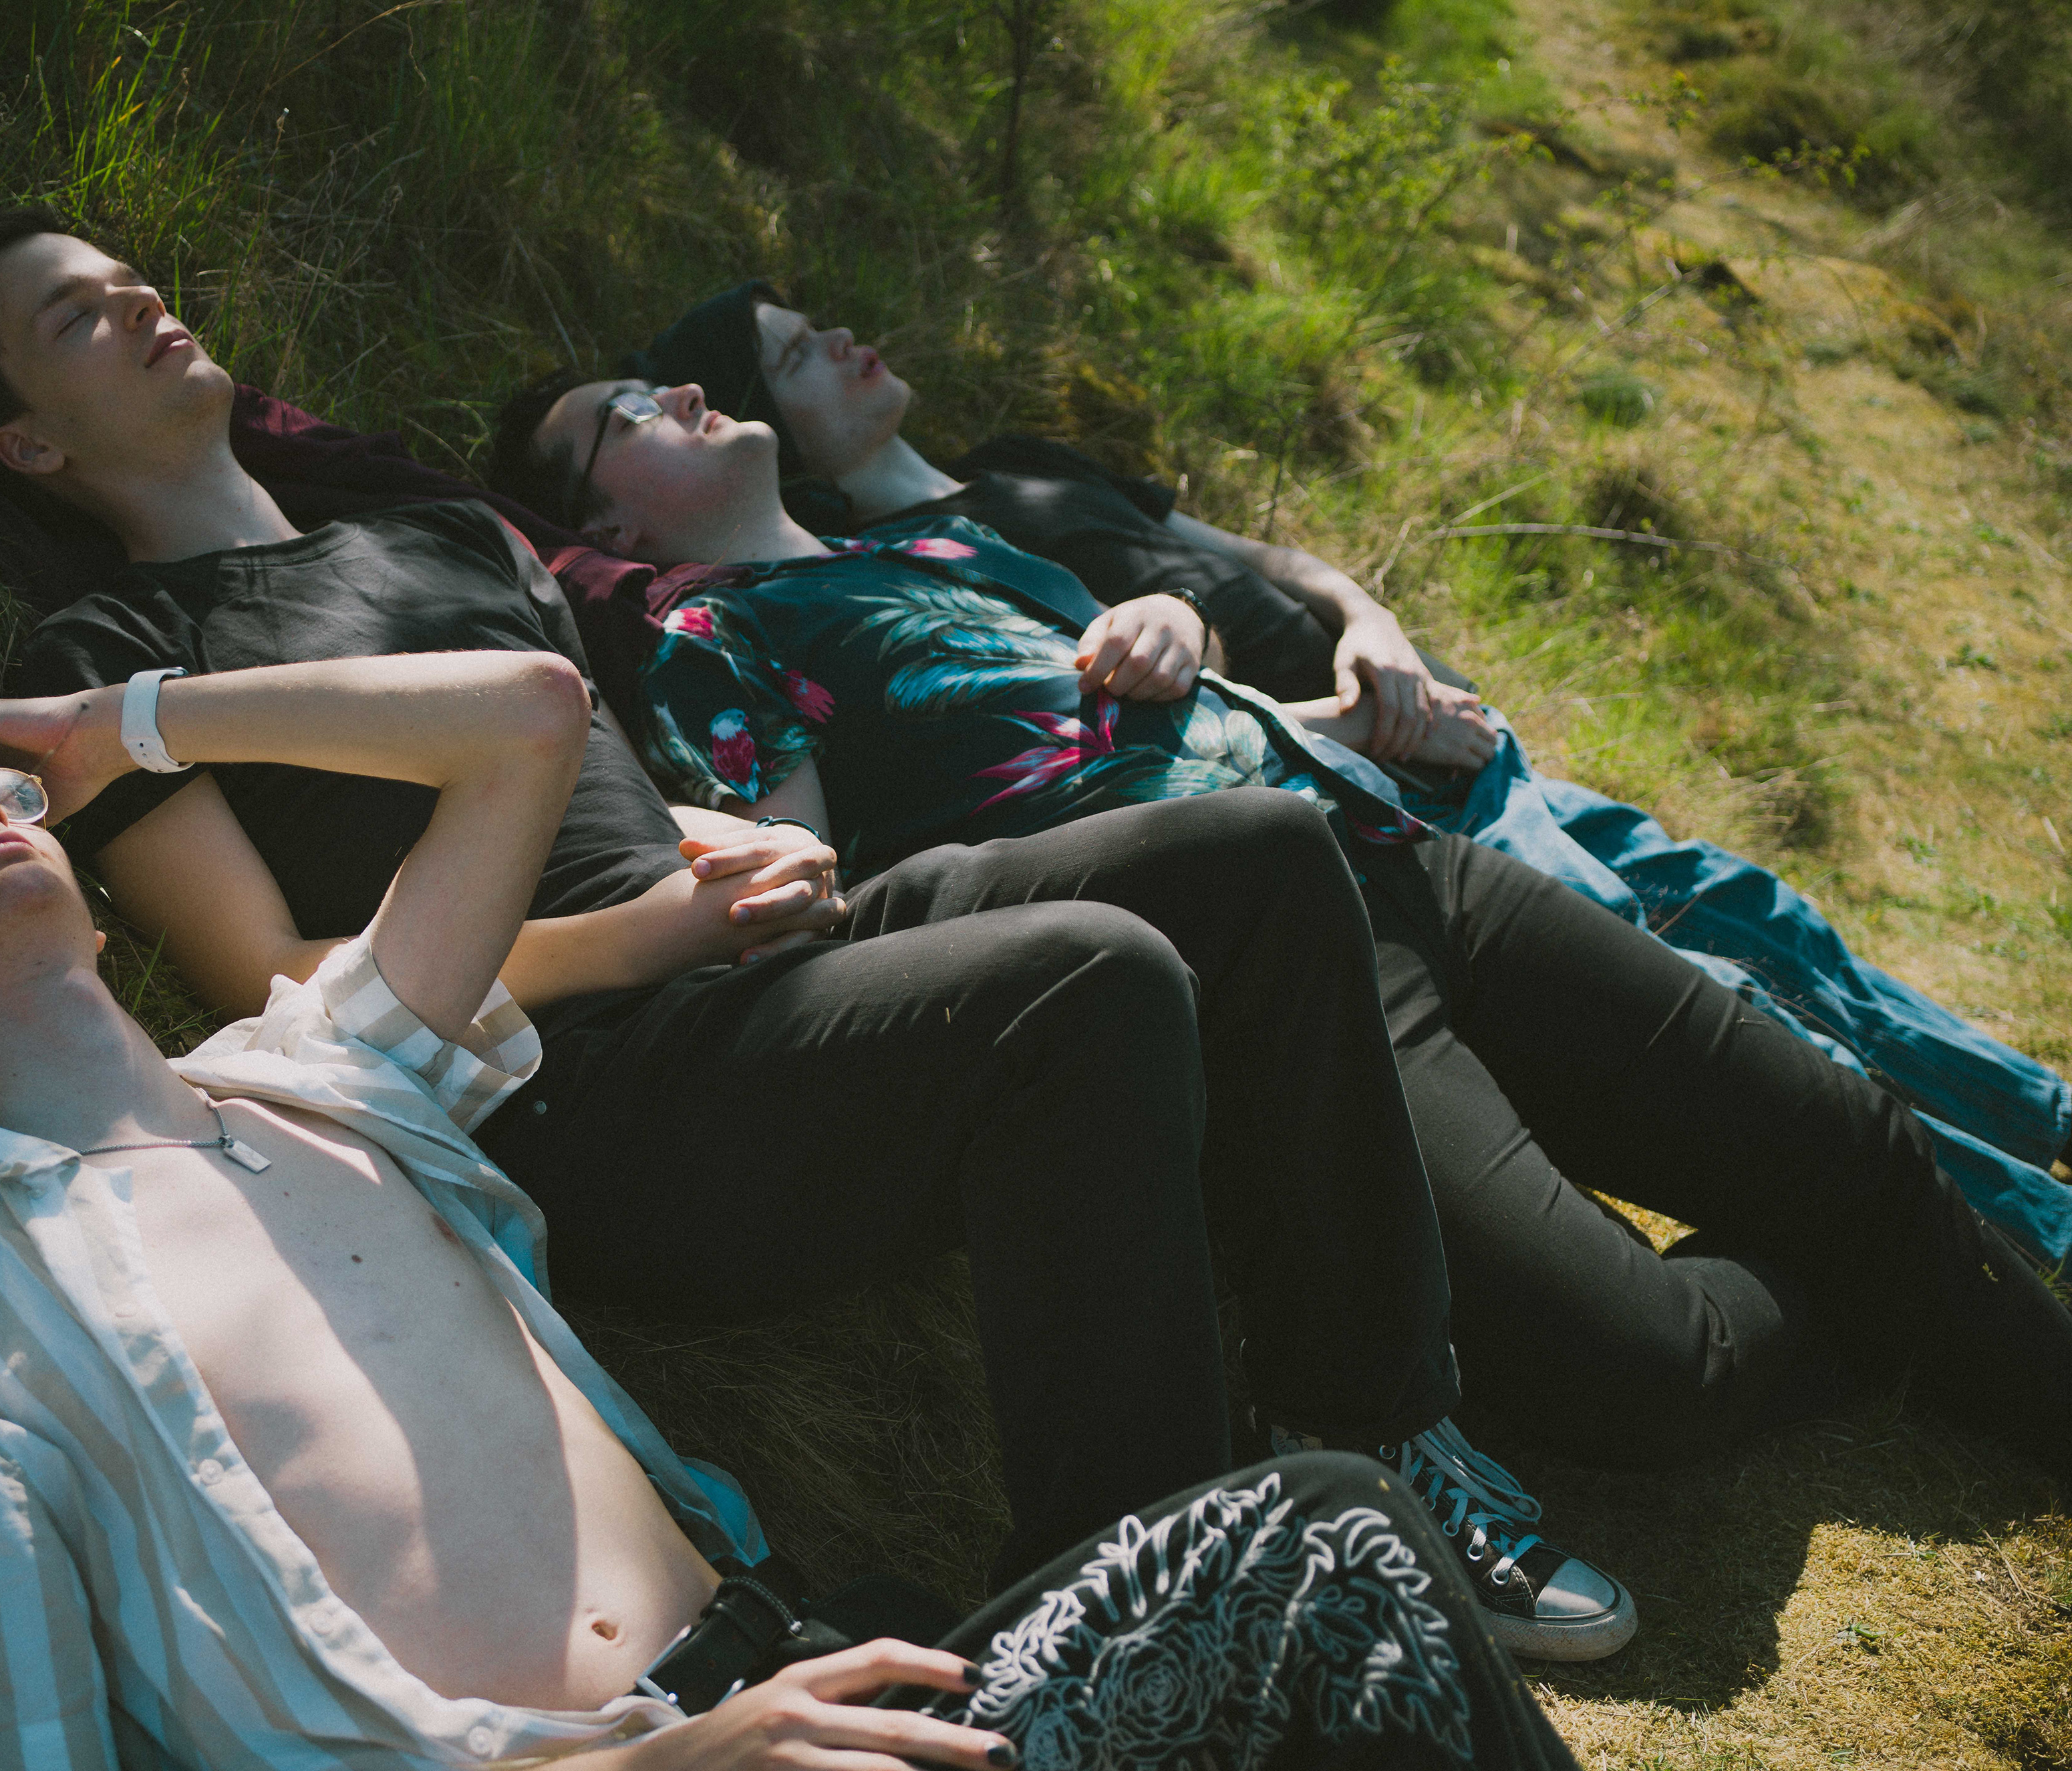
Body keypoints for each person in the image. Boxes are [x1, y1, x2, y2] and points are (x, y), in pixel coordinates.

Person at [0, 203, 1635, 1657]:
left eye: (132, 278)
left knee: (1252, 852)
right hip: (574, 1084)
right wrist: (641, 940)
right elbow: (281, 985)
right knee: (1088, 982)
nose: (141, 303)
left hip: (732, 961)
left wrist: (734, 850)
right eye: (76, 316)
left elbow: (607, 784)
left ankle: (1370, 1419)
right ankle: (1147, 1623)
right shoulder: (110, 659)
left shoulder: (432, 532)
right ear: (29, 443)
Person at [0, 671, 1686, 1771]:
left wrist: (126, 720)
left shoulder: (318, 1082)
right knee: (1319, 1547)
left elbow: (523, 715)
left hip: (823, 1707)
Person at [490, 367, 2072, 1488]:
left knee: (1856, 1136)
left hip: (1399, 849)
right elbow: (819, 886)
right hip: (1294, 970)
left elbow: (1161, 701)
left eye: (661, 380)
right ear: (612, 525)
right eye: (624, 415)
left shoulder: (946, 537)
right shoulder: (709, 632)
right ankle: (1866, 1281)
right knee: (1653, 1370)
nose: (679, 391)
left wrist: (1185, 625)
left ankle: (1933, 1290)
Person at [607, 283, 2072, 1268]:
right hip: (1363, 788)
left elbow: (1266, 564)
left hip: (1432, 737)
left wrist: (1380, 632)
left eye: (825, 324)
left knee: (1769, 918)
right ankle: (2001, 1234)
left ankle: (2045, 1123)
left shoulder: (1014, 479)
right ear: (772, 429)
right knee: (1729, 994)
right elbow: (1132, 752)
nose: (846, 342)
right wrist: (1361, 725)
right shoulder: (889, 591)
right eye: (798, 355)